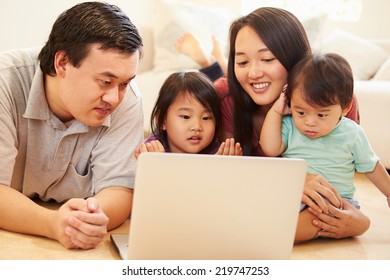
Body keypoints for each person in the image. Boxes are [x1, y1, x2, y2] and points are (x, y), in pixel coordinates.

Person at [176, 7, 369, 242]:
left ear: (295, 59)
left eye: (267, 59)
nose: (254, 72)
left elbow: (340, 181)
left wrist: (360, 223)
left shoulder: (331, 101)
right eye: (243, 61)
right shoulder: (225, 97)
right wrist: (291, 180)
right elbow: (216, 178)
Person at [0, 2, 144, 249]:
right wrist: (52, 223)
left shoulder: (127, 99)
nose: (114, 98)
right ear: (63, 63)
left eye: (124, 83)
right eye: (105, 81)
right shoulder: (5, 81)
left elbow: (120, 189)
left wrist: (87, 220)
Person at [260, 52, 390, 240]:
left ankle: (273, 236)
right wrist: (276, 110)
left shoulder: (351, 133)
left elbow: (371, 166)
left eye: (321, 115)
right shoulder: (289, 125)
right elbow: (270, 148)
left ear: (345, 108)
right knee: (263, 208)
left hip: (333, 201)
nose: (310, 122)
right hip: (294, 194)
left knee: (308, 220)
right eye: (301, 112)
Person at [134, 71, 242, 157]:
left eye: (206, 118)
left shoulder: (220, 154)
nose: (197, 127)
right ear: (161, 120)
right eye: (185, 117)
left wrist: (226, 168)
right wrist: (157, 166)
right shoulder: (151, 151)